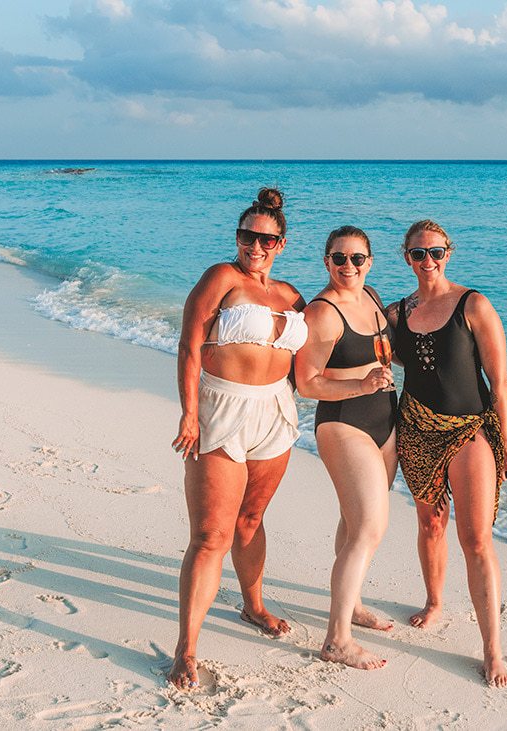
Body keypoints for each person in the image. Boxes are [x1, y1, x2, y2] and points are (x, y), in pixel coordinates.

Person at [168, 188, 306, 690]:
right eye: (249, 235)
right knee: (210, 536)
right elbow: (188, 345)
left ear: (282, 244)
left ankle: (253, 605)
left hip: (276, 413)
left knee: (251, 519)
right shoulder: (221, 278)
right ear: (238, 236)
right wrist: (188, 413)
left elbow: (326, 342)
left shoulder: (292, 295)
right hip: (219, 409)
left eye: (267, 239)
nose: (257, 246)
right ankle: (186, 648)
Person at [386, 220, 507, 687]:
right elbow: (368, 341)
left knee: (476, 539)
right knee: (429, 523)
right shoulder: (396, 312)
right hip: (417, 428)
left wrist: (504, 440)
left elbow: (500, 383)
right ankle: (434, 601)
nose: (428, 261)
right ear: (406, 257)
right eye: (418, 253)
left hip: (469, 431)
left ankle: (493, 650)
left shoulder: (474, 305)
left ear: (449, 253)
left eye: (436, 252)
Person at [295, 226, 397, 670]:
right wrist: (362, 383)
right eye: (339, 259)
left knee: (353, 520)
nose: (348, 267)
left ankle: (350, 605)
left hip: (385, 422)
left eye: (357, 259)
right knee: (370, 528)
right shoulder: (321, 313)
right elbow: (306, 382)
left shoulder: (372, 297)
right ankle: (337, 640)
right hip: (343, 423)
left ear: (370, 262)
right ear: (326, 262)